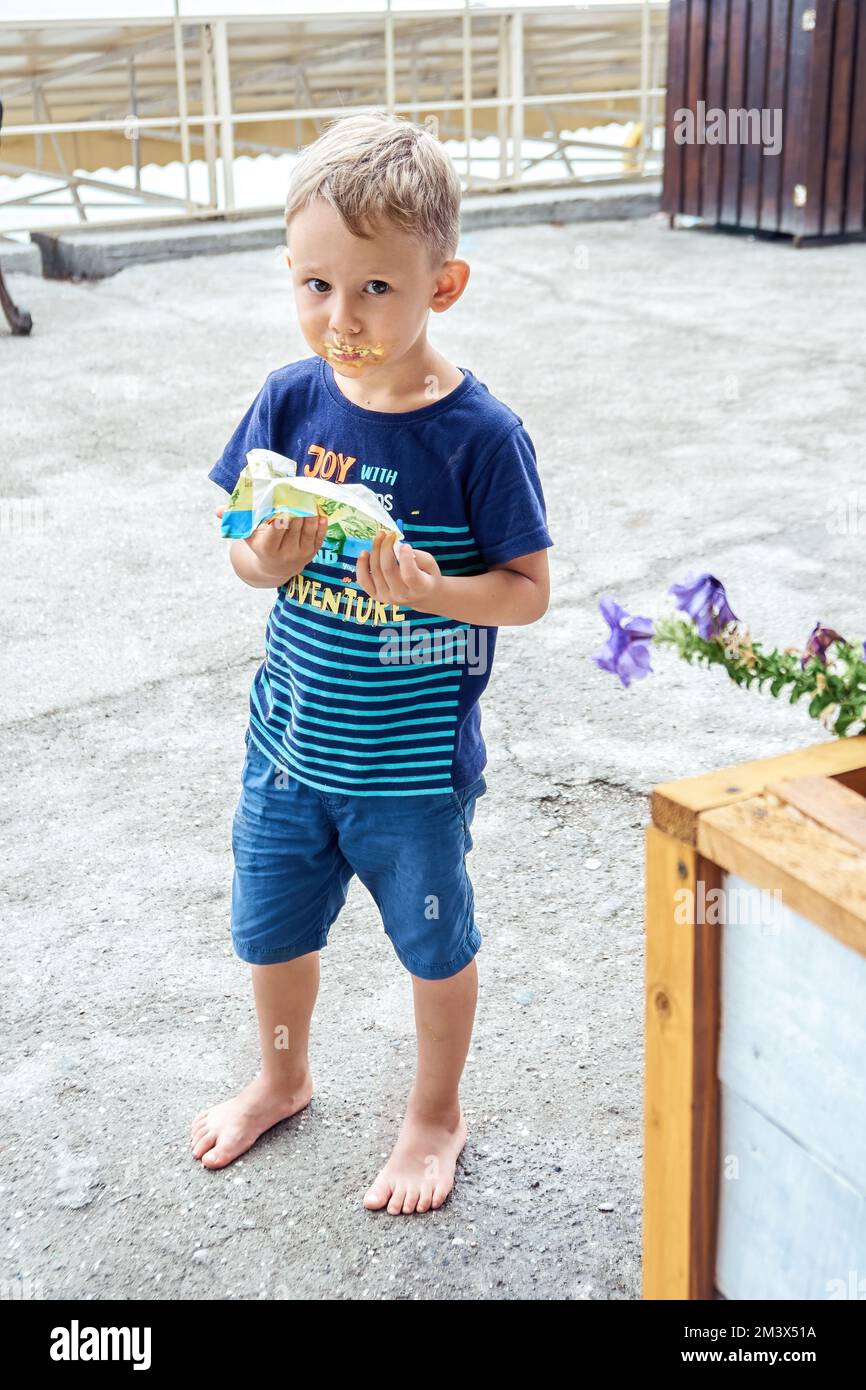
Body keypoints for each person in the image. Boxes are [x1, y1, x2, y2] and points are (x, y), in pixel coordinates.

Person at [192, 110, 553, 1215]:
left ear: (441, 286)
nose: (338, 319)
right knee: (272, 930)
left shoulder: (478, 437)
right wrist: (268, 553)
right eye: (313, 287)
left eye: (374, 291)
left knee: (432, 946)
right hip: (289, 745)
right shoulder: (288, 398)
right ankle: (283, 1076)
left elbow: (528, 590)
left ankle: (434, 1111)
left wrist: (433, 588)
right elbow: (244, 555)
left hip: (409, 770)